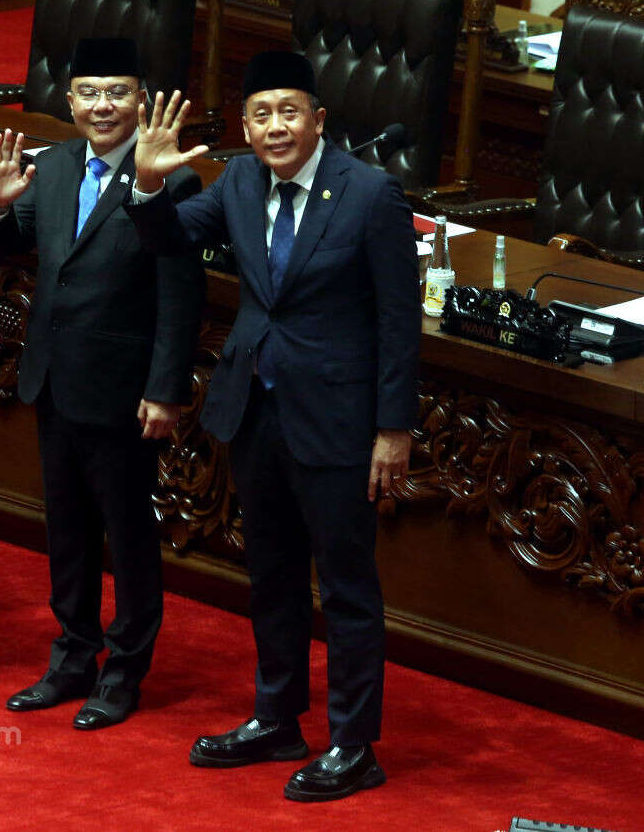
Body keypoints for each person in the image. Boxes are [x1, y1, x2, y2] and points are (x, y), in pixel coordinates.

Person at [125, 50, 418, 801]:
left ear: (319, 119)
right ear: (247, 126)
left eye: (290, 111)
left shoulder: (370, 193)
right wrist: (149, 180)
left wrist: (394, 429)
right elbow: (165, 237)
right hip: (255, 410)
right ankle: (277, 716)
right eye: (261, 113)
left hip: (340, 421)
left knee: (346, 587)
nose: (275, 126)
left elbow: (398, 320)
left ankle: (354, 743)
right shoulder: (241, 181)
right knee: (272, 574)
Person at [0, 37, 205, 730]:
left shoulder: (170, 178)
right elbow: (10, 239)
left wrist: (166, 386)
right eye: (90, 93)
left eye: (118, 93)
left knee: (127, 531)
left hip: (124, 386)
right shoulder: (53, 166)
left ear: (142, 100)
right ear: (69, 99)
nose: (103, 106)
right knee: (68, 527)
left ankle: (124, 668)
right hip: (52, 377)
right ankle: (73, 653)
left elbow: (180, 289)